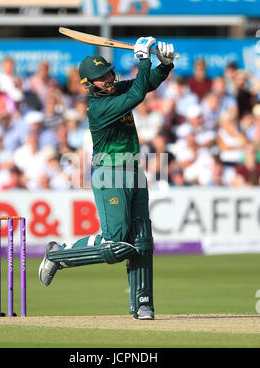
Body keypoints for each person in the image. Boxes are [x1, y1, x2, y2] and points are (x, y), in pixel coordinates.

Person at [38, 37, 175, 320]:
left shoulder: (115, 89)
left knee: (142, 239)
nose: (109, 80)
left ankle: (143, 303)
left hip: (135, 171)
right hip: (109, 173)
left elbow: (146, 84)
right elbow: (137, 95)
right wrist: (143, 58)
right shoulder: (97, 108)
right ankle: (56, 255)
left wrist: (165, 64)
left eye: (110, 74)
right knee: (115, 243)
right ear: (90, 84)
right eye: (101, 79)